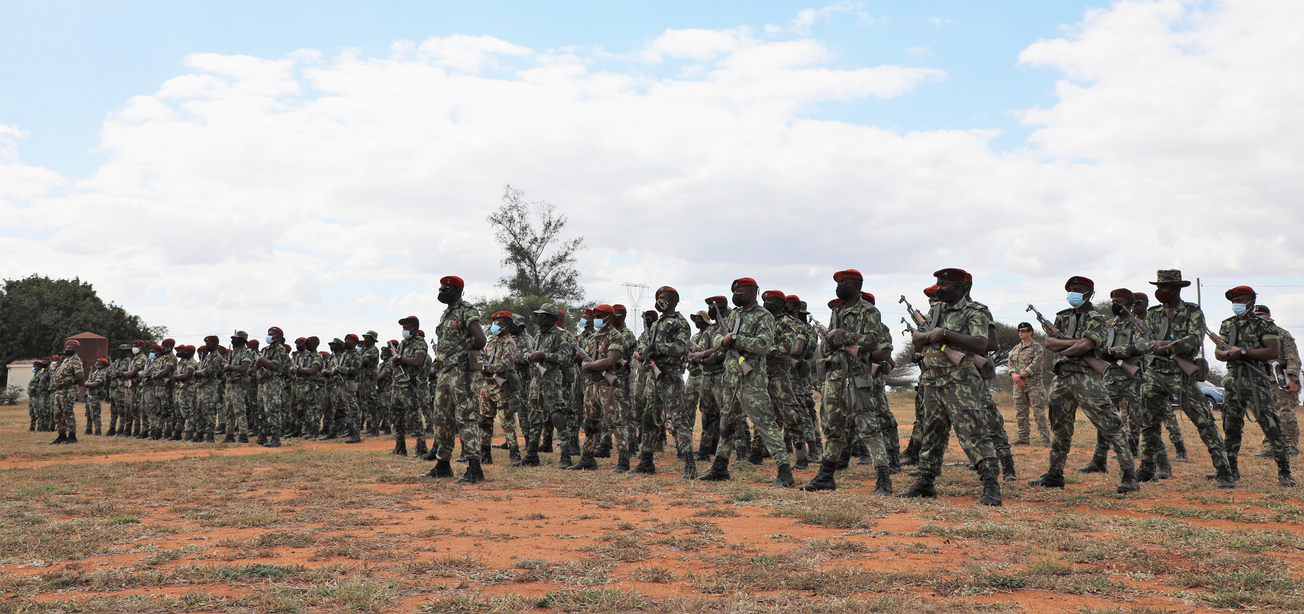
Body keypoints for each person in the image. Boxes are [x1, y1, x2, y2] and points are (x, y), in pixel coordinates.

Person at [900, 268, 1002, 506]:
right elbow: (917, 339)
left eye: (945, 285)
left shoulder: (975, 311)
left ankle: (991, 486)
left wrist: (946, 334)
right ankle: (925, 482)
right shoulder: (936, 310)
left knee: (973, 433)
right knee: (932, 433)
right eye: (938, 284)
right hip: (933, 380)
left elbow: (981, 343)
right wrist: (931, 336)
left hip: (960, 380)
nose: (940, 289)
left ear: (961, 288)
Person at [1029, 277, 1138, 493]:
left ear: (1090, 293)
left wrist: (1066, 348)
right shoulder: (1062, 316)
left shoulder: (1096, 318)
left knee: (1110, 425)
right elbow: (1049, 342)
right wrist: (1075, 344)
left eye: (1077, 289)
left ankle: (1129, 476)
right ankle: (1055, 474)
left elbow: (1086, 345)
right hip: (1062, 377)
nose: (1073, 293)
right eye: (1070, 289)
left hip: (1086, 377)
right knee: (1060, 428)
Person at [1133, 270, 1235, 488]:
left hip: (1180, 374)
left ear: (1176, 289)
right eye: (1158, 287)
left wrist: (1168, 347)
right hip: (1154, 373)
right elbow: (1138, 342)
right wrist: (1153, 345)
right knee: (1149, 424)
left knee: (1204, 422)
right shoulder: (1152, 313)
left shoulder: (1192, 311)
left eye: (1164, 287)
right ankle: (1147, 468)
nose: (1160, 291)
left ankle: (1224, 470)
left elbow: (1195, 338)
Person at [799, 271, 889, 493]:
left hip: (855, 377)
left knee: (868, 426)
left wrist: (842, 336)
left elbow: (872, 342)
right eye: (838, 283)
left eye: (845, 282)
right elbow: (830, 344)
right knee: (832, 427)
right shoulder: (837, 311)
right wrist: (829, 341)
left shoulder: (869, 311)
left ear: (857, 286)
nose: (840, 286)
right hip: (834, 376)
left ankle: (883, 480)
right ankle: (825, 477)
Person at [698, 277, 793, 487]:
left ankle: (785, 472)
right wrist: (724, 340)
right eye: (735, 291)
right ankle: (720, 467)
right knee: (727, 424)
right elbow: (718, 338)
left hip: (752, 380)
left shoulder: (763, 316)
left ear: (751, 292)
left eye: (740, 291)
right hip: (731, 379)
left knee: (765, 424)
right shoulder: (734, 315)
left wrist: (736, 340)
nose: (736, 295)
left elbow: (763, 344)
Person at [1216, 287, 1294, 486]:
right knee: (1231, 426)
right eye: (1234, 301)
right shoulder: (1227, 324)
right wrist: (1228, 354)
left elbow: (1272, 352)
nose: (1236, 305)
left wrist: (1243, 352)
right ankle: (1230, 469)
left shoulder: (1264, 325)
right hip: (1233, 381)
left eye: (1240, 301)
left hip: (1256, 382)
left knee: (1271, 425)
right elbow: (1218, 352)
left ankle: (1284, 470)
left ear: (1251, 302)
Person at [631, 286, 694, 477]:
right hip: (653, 377)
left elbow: (681, 348)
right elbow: (644, 348)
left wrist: (657, 347)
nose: (659, 300)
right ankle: (646, 462)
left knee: (679, 419)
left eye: (663, 297)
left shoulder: (680, 322)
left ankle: (689, 464)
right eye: (658, 297)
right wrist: (646, 352)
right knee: (649, 418)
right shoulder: (657, 323)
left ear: (673, 301)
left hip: (670, 376)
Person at [429, 277, 487, 484]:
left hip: (461, 372)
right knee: (441, 419)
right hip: (445, 372)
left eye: (445, 289)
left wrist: (462, 355)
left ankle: (475, 468)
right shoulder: (446, 314)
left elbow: (480, 340)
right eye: (440, 288)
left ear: (457, 291)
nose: (441, 291)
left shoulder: (466, 311)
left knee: (466, 418)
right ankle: (443, 465)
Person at [1254, 305, 1300, 458]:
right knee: (1266, 415)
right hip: (1262, 380)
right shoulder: (1252, 335)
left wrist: (1294, 380)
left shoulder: (1281, 334)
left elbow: (1293, 358)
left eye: (1261, 315)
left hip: (1281, 381)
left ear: (1269, 316)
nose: (1259, 318)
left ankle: (1291, 448)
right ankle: (1269, 448)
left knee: (1286, 415)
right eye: (1256, 315)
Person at [481, 311, 522, 465]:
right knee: (484, 421)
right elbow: (482, 360)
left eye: (498, 324)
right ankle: (485, 455)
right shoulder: (491, 343)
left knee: (507, 422)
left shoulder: (509, 343)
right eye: (494, 323)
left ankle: (515, 455)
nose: (495, 326)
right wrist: (480, 364)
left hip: (502, 386)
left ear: (507, 327)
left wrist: (486, 367)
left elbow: (505, 365)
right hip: (487, 386)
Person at [1008, 322, 1051, 446]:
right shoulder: (1015, 349)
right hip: (1018, 386)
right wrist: (1015, 377)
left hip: (1034, 386)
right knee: (1021, 413)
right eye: (1019, 330)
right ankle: (1023, 438)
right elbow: (1011, 365)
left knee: (1039, 413)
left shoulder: (1037, 348)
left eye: (1024, 330)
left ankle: (1045, 439)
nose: (1021, 333)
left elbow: (1035, 365)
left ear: (1030, 332)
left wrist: (1020, 376)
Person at [253, 328, 291, 447]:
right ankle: (262, 436)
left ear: (278, 337)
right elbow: (256, 367)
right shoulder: (267, 350)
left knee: (272, 410)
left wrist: (261, 360)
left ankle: (276, 438)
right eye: (268, 334)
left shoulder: (280, 349)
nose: (268, 337)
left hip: (272, 383)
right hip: (263, 382)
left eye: (272, 335)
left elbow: (275, 365)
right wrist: (260, 362)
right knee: (262, 410)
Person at [49, 340, 86, 444]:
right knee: (58, 413)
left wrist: (71, 383)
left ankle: (72, 436)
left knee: (67, 413)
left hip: (67, 390)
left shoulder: (76, 360)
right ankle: (61, 436)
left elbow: (80, 376)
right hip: (59, 390)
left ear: (76, 349)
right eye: (66, 348)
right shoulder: (66, 360)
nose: (67, 350)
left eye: (70, 348)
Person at [84, 358, 110, 436]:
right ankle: (88, 429)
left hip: (95, 396)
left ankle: (98, 431)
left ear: (103, 365)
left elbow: (96, 384)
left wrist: (87, 384)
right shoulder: (95, 372)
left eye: (99, 363)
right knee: (88, 413)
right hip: (90, 395)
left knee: (95, 414)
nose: (97, 364)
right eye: (97, 362)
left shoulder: (101, 373)